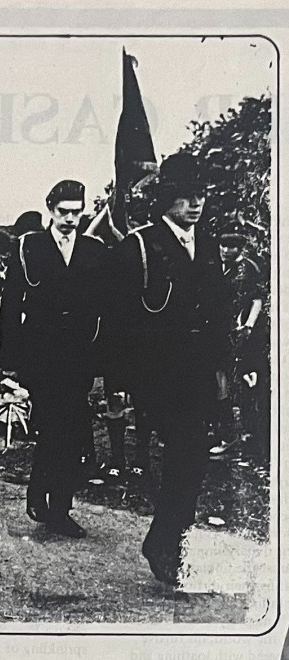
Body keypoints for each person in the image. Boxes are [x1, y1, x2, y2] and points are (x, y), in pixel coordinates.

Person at [108, 153, 231, 586]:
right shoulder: (140, 246)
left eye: (200, 195)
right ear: (166, 199)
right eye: (185, 196)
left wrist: (223, 372)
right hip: (157, 375)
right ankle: (166, 543)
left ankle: (168, 542)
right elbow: (119, 319)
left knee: (192, 460)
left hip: (198, 374)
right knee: (185, 453)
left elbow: (220, 312)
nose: (195, 204)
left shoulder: (209, 245)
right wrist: (119, 382)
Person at [0, 179, 110, 539]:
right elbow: (11, 303)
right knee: (51, 426)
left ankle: (59, 508)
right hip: (40, 354)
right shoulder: (28, 247)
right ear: (50, 208)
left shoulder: (93, 249)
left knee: (72, 430)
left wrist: (100, 357)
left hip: (78, 354)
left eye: (77, 212)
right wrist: (10, 358)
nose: (71, 219)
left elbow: (104, 306)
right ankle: (39, 492)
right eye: (64, 212)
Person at [210, 221, 267, 457]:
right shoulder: (217, 267)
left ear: (240, 247)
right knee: (220, 382)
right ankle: (227, 433)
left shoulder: (248, 268)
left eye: (231, 246)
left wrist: (248, 327)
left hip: (244, 335)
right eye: (223, 245)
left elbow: (257, 299)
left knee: (246, 382)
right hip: (221, 333)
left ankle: (250, 436)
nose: (225, 250)